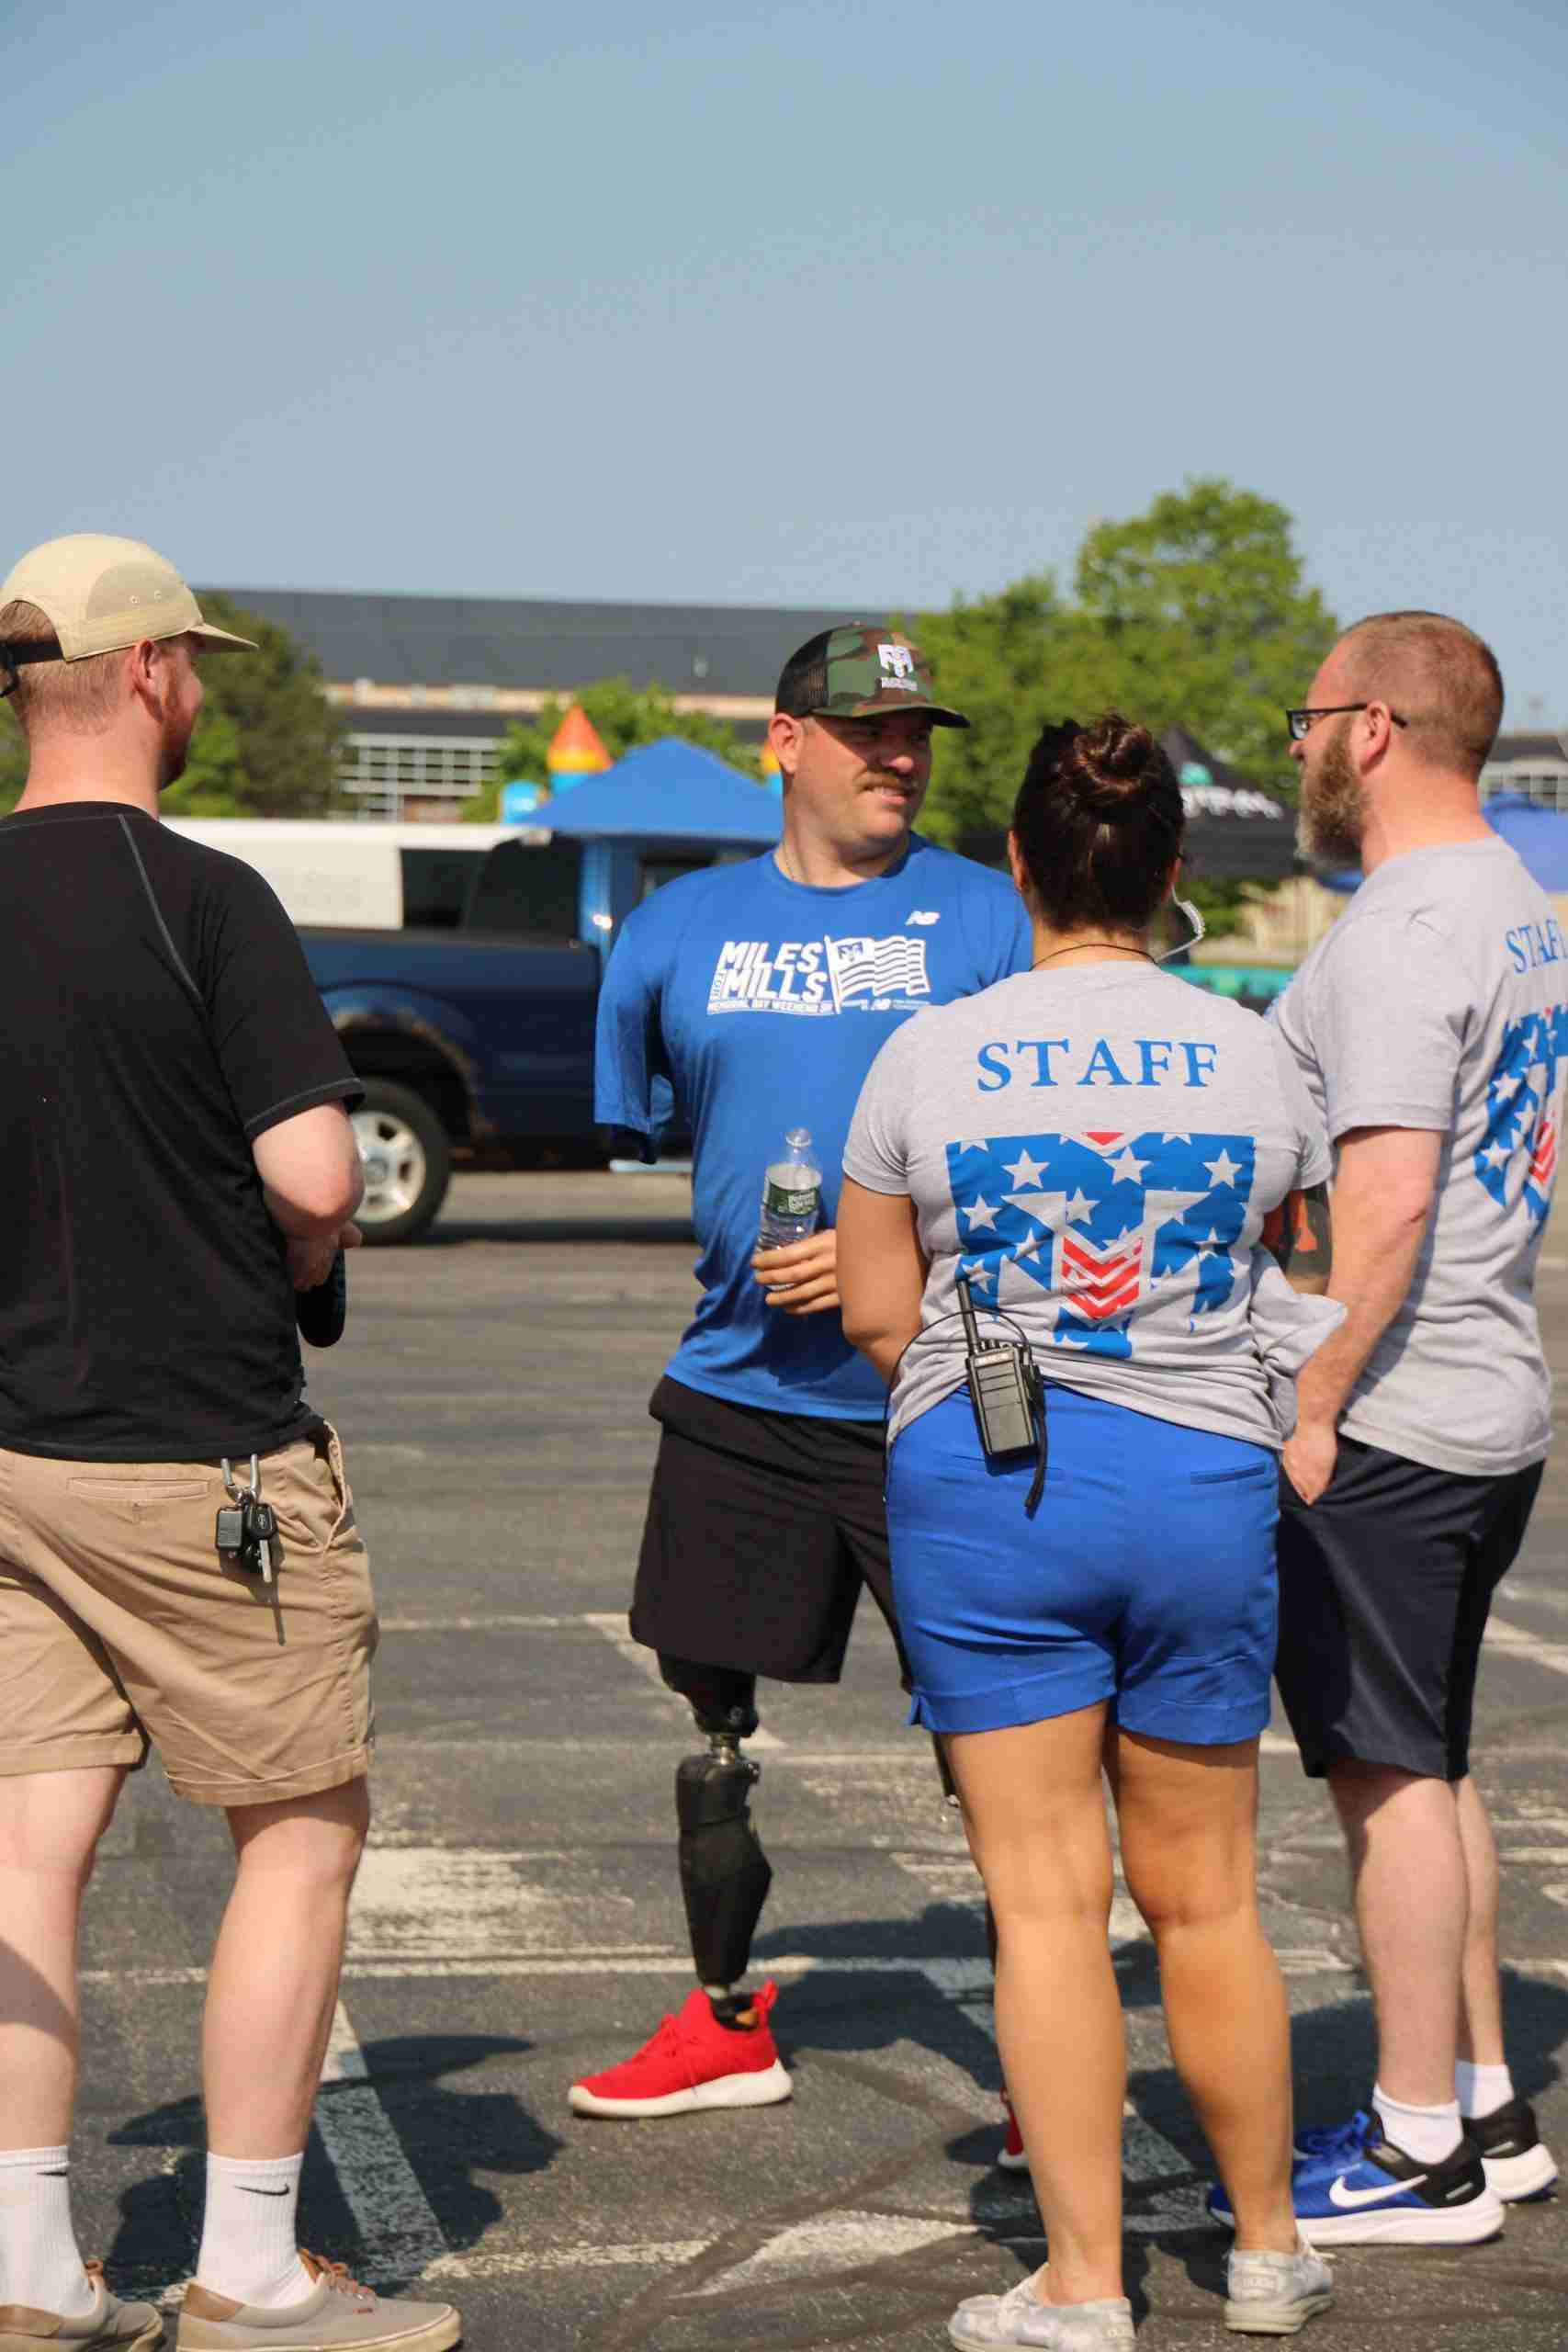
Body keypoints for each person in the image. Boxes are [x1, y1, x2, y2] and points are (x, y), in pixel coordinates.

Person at [0, 536, 458, 2352]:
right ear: (143, 672)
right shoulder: (203, 895)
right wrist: (310, 1249)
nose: (194, 686)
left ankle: (28, 2261)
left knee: (29, 1844)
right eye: (188, 660)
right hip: (204, 1459)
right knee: (300, 1828)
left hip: (13, 1457)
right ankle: (253, 2267)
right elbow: (318, 1173)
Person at [837, 715, 1338, 2346]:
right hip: (1200, 1486)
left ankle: (1083, 2285)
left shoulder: (928, 1052)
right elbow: (1297, 1271)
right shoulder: (1255, 1050)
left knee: (1046, 1904)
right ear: (1171, 866)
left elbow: (874, 1309)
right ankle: (1267, 2252)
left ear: (1017, 866)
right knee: (1211, 1898)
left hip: (994, 1491)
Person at [570, 624, 1031, 2120]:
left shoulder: (991, 919)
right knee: (710, 1728)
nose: (900, 757)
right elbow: (653, 1130)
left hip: (945, 1391)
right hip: (742, 1390)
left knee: (1005, 1740)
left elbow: (1053, 1170)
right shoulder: (674, 932)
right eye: (867, 731)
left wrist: (897, 1255)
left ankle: (1047, 2080)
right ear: (785, 742)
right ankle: (723, 2021)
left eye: (917, 735)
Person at [1221, 611, 1562, 2245]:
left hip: (1400, 1421)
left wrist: (1315, 1400)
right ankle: (1487, 2106)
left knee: (1389, 1784)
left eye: (1306, 721)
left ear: (1370, 728)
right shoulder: (1513, 903)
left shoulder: (1406, 932)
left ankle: (1417, 2147)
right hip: (1488, 1402)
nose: (1296, 748)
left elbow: (1396, 1193)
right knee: (1430, 1761)